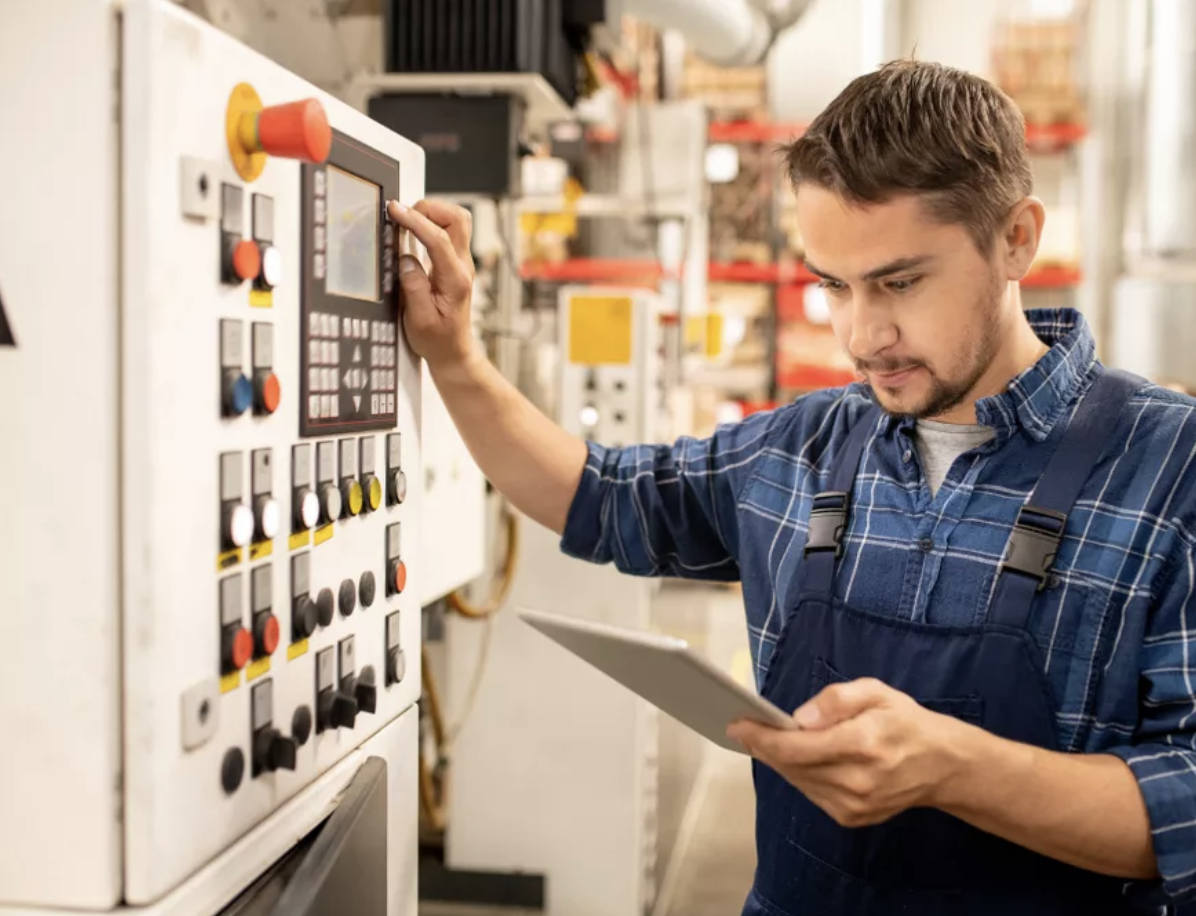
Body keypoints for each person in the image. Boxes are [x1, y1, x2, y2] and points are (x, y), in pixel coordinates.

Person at [387, 59, 1196, 915]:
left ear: (1016, 240)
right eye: (833, 287)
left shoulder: (1168, 467)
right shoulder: (807, 446)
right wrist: (456, 357)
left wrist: (955, 770)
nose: (861, 334)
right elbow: (598, 496)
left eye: (899, 282)